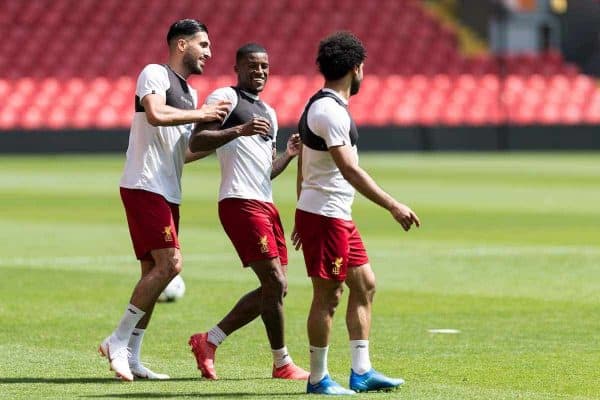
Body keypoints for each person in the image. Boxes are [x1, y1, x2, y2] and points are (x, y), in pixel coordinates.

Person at [98, 19, 230, 381]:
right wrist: (202, 114)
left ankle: (133, 354)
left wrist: (224, 138)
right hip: (144, 184)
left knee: (152, 273)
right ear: (182, 44)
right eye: (203, 44)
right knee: (170, 264)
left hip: (167, 188)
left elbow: (182, 151)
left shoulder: (187, 93)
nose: (209, 52)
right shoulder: (153, 73)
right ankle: (118, 340)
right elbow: (155, 114)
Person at [293, 31, 421, 395]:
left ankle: (362, 371)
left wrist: (302, 205)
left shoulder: (322, 105)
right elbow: (349, 169)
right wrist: (393, 205)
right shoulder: (328, 110)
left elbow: (304, 160)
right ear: (356, 68)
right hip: (326, 217)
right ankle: (318, 379)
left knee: (364, 284)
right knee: (328, 296)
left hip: (331, 215)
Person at [187, 43, 309, 381]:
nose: (260, 72)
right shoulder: (224, 98)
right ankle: (279, 362)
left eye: (265, 67)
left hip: (265, 202)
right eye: (253, 66)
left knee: (277, 288)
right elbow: (197, 142)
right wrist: (239, 129)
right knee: (274, 280)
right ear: (238, 67)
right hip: (238, 201)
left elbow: (265, 171)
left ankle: (214, 342)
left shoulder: (269, 112)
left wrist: (288, 155)